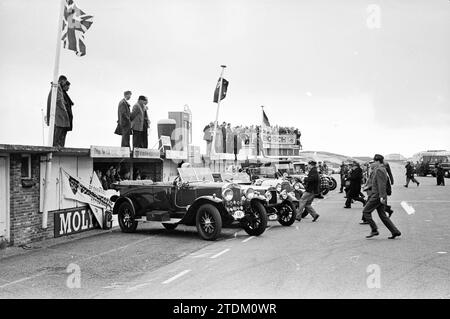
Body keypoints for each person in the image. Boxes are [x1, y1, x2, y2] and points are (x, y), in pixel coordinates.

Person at [362, 154, 401, 239]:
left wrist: (382, 197)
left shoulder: (380, 170)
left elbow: (381, 185)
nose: (373, 163)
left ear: (378, 161)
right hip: (379, 195)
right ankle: (395, 231)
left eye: (374, 161)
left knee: (366, 212)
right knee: (382, 215)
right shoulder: (380, 169)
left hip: (377, 195)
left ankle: (374, 230)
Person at [46, 75, 70, 147]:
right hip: (59, 112)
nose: (65, 84)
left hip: (57, 112)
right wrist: (64, 111)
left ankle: (56, 144)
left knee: (58, 128)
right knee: (59, 128)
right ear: (62, 81)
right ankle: (56, 144)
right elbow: (59, 100)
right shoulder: (57, 87)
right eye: (65, 82)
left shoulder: (55, 87)